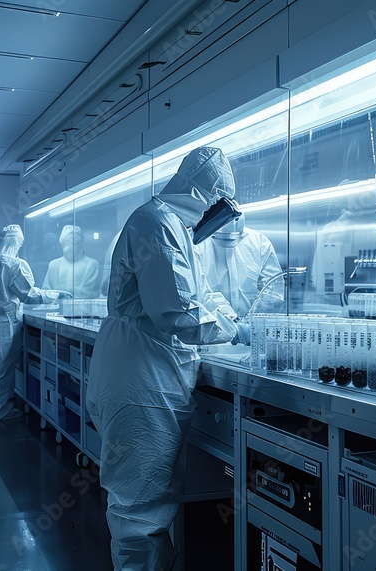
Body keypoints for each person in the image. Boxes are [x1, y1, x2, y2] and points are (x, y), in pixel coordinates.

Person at [85, 146, 242, 570]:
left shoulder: (172, 226)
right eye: (220, 205)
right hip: (140, 380)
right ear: (200, 192)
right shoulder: (157, 224)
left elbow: (201, 294)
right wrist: (234, 331)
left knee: (149, 501)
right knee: (140, 510)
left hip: (144, 372)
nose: (220, 217)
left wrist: (234, 316)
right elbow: (177, 313)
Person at [0, 224, 59, 421]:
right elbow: (29, 295)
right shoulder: (14, 264)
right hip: (0, 325)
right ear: (15, 242)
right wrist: (54, 295)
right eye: (20, 243)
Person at [194, 213, 282, 317]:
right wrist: (226, 320)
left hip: (253, 326)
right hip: (210, 326)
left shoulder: (259, 243)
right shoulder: (196, 244)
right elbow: (197, 291)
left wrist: (255, 321)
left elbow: (273, 289)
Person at [43, 224, 101, 298]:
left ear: (81, 243)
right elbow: (45, 291)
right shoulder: (54, 265)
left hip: (82, 308)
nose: (74, 246)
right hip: (56, 308)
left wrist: (59, 293)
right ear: (63, 243)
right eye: (71, 243)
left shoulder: (91, 264)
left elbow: (89, 293)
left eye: (77, 243)